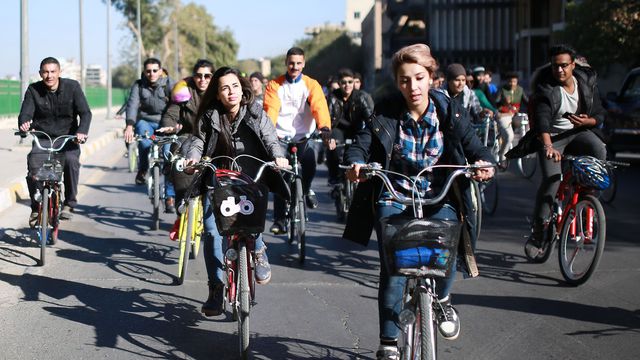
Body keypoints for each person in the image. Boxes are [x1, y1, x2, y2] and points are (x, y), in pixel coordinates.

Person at [342, 44, 494, 360]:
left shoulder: (449, 110)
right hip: (395, 193)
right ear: (397, 82)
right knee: (394, 268)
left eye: (419, 78)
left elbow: (475, 146)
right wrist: (357, 164)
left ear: (431, 78)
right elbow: (360, 145)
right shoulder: (383, 111)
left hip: (440, 194)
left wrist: (483, 163)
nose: (413, 87)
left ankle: (443, 298)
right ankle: (387, 342)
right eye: (405, 80)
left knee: (448, 244)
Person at [184, 67, 289, 316]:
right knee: (211, 232)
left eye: (234, 86)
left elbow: (270, 137)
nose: (230, 92)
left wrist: (278, 157)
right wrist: (192, 159)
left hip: (250, 179)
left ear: (242, 90)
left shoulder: (254, 111)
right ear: (217, 95)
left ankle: (259, 248)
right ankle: (216, 288)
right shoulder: (210, 116)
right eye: (224, 88)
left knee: (251, 222)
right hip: (218, 179)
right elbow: (198, 141)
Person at [524, 44, 607, 251]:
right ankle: (540, 228)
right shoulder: (547, 87)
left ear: (573, 65)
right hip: (552, 137)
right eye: (555, 66)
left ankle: (589, 198)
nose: (559, 70)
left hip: (578, 133)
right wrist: (548, 146)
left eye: (563, 66)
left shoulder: (586, 83)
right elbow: (542, 119)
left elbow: (599, 113)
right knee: (552, 180)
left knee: (599, 150)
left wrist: (589, 122)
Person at [263, 46, 333, 235]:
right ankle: (279, 220)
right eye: (291, 63)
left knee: (310, 162)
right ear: (286, 63)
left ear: (304, 64)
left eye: (298, 63)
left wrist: (324, 128)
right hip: (281, 137)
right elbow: (271, 110)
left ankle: (307, 189)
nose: (295, 67)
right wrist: (268, 132)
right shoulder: (274, 85)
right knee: (281, 175)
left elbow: (319, 106)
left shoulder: (311, 85)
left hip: (304, 136)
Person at [18, 57, 92, 224]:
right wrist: (24, 124)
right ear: (40, 73)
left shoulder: (72, 87)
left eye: (52, 72)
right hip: (43, 138)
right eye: (45, 72)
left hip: (68, 138)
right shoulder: (33, 90)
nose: (49, 76)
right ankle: (36, 207)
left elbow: (85, 113)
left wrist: (81, 132)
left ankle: (69, 203)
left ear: (59, 72)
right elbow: (26, 113)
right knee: (33, 166)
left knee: (71, 162)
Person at [159, 59, 215, 209]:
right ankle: (180, 202)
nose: (202, 80)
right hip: (188, 135)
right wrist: (169, 127)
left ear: (213, 77)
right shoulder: (183, 90)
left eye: (207, 76)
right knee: (178, 159)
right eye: (198, 75)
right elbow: (171, 114)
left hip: (213, 138)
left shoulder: (219, 92)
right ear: (193, 76)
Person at [326, 68, 374, 218]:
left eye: (350, 82)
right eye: (343, 82)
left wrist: (373, 132)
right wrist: (328, 137)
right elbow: (327, 120)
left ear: (354, 82)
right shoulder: (333, 98)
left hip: (357, 129)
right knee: (332, 145)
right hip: (339, 129)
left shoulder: (362, 97)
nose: (347, 85)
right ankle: (335, 178)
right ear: (339, 84)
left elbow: (370, 119)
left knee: (366, 146)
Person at [123, 58, 175, 192]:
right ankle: (142, 169)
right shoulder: (139, 85)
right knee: (144, 143)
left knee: (169, 155)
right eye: (148, 71)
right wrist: (129, 125)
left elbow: (177, 103)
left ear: (161, 71)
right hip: (146, 121)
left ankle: (169, 195)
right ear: (144, 72)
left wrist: (177, 123)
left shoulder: (169, 83)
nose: (151, 73)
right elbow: (133, 104)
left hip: (166, 122)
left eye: (155, 70)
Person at [495, 72, 529, 169]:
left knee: (527, 122)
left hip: (515, 114)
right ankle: (503, 156)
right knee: (509, 136)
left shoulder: (520, 90)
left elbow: (527, 102)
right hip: (504, 114)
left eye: (514, 81)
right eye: (510, 81)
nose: (512, 84)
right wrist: (504, 102)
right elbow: (496, 103)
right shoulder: (502, 90)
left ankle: (525, 145)